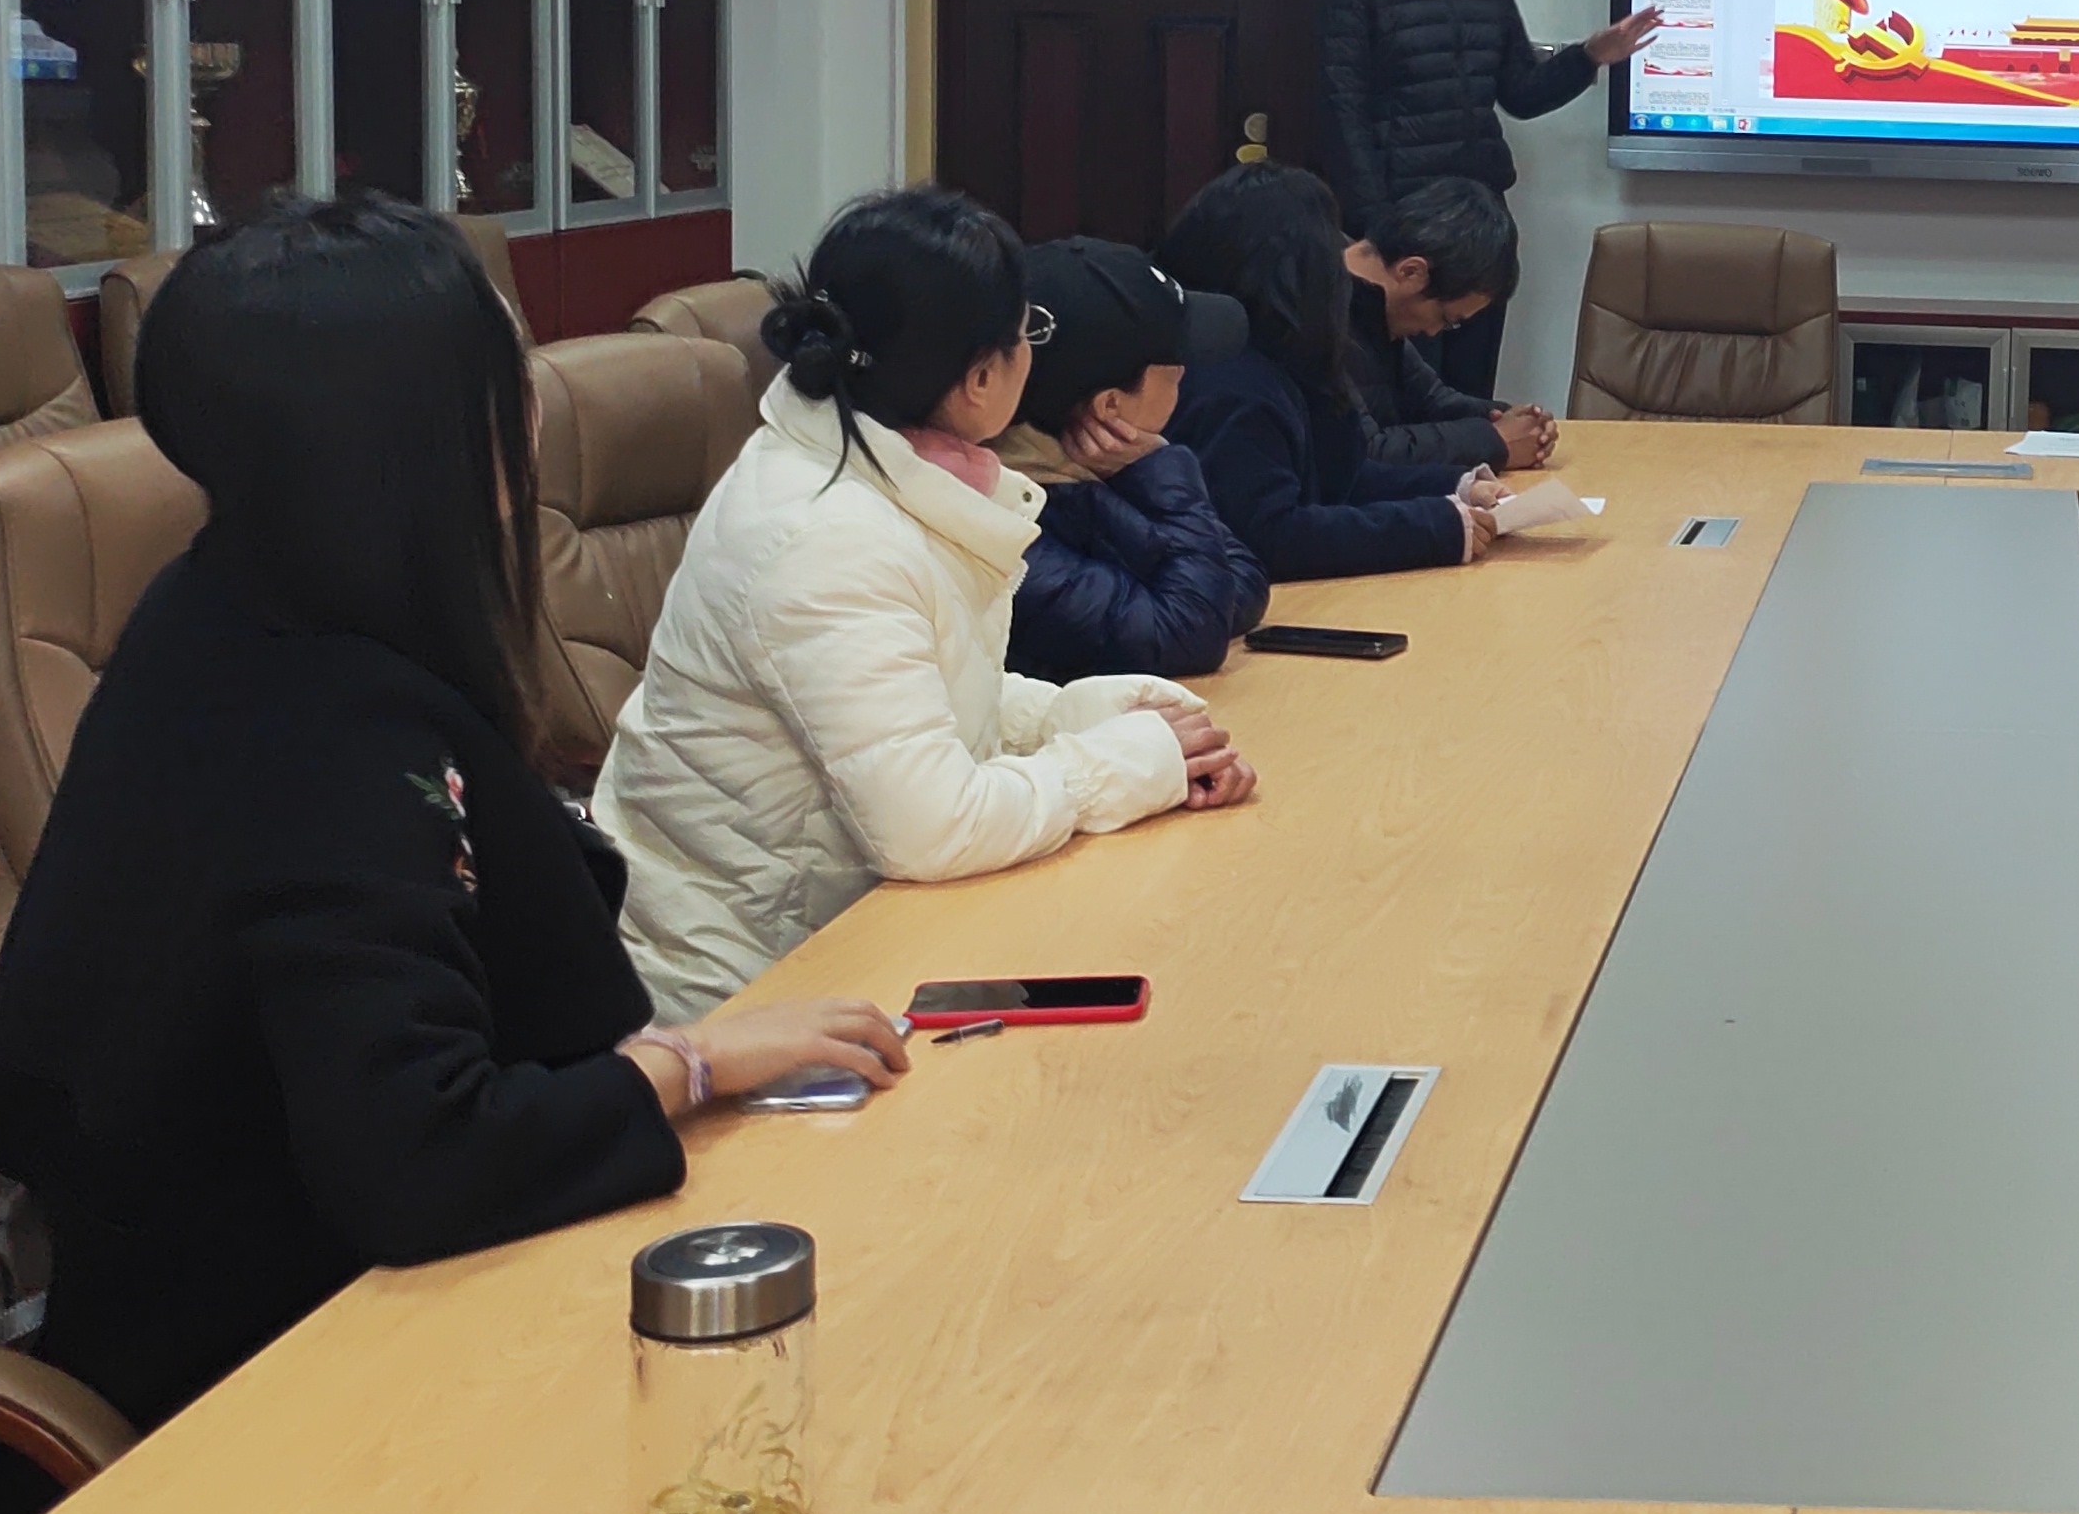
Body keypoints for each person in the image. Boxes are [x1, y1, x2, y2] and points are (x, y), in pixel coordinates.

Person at [0, 198, 908, 1439]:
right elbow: (420, 1158)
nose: (531, 411)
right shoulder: (317, 733)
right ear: (410, 441)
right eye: (500, 381)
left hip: (334, 1292)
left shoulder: (228, 601)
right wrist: (693, 1063)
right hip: (286, 1385)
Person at [596, 188, 1258, 1023]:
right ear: (979, 380)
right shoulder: (826, 536)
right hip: (747, 991)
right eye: (1026, 333)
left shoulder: (867, 465)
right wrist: (1118, 767)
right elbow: (934, 825)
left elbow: (923, 688)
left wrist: (1088, 717)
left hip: (852, 931)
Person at [1315, 0, 1660, 403]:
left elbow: (1520, 93)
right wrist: (1378, 233)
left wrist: (1588, 57)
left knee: (1471, 389)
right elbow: (1342, 114)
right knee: (1406, 393)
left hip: (1480, 222)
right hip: (1403, 228)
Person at [1158, 161, 1504, 579]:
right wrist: (1433, 528)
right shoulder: (1228, 380)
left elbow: (1343, 478)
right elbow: (1270, 536)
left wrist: (1456, 488)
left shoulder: (1286, 357)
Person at [1003, 236, 1271, 684]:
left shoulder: (1102, 464)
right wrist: (1161, 472)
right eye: (1175, 368)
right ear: (1109, 405)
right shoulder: (1009, 522)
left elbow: (1239, 582)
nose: (1186, 373)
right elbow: (1190, 630)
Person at [1335, 177, 1558, 475]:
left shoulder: (1373, 303)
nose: (1432, 332)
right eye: (1446, 319)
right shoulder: (1314, 309)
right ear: (1411, 271)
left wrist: (1514, 420)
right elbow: (1365, 454)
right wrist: (1494, 441)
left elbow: (1432, 401)